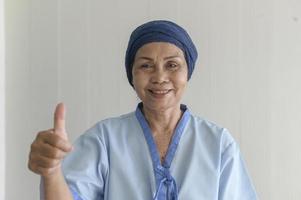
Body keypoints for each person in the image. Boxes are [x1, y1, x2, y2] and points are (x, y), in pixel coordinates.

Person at [28, 20, 258, 200]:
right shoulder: (104, 140)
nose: (159, 77)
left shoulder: (218, 144)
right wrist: (51, 173)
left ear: (187, 72)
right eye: (146, 65)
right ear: (132, 75)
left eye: (172, 65)